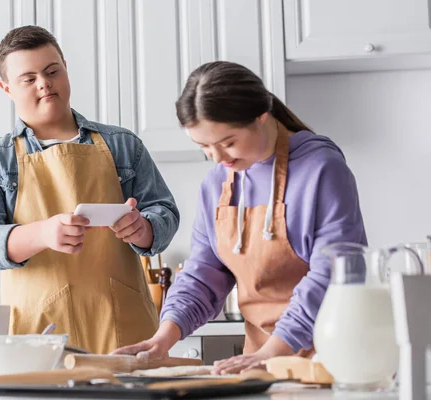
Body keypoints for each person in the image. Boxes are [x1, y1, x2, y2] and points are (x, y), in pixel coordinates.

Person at [113, 61, 367, 373]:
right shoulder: (218, 183)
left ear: (261, 116)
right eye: (204, 146)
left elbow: (332, 274)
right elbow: (204, 272)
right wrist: (165, 336)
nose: (217, 158)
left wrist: (276, 349)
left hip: (329, 357)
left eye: (228, 142)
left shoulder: (322, 170)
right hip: (259, 361)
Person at [0, 25, 180, 354]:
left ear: (65, 70)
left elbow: (164, 212)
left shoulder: (123, 145)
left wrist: (143, 228)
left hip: (125, 328)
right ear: (7, 88)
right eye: (28, 78)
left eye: (51, 71)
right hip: (40, 334)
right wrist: (43, 234)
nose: (44, 83)